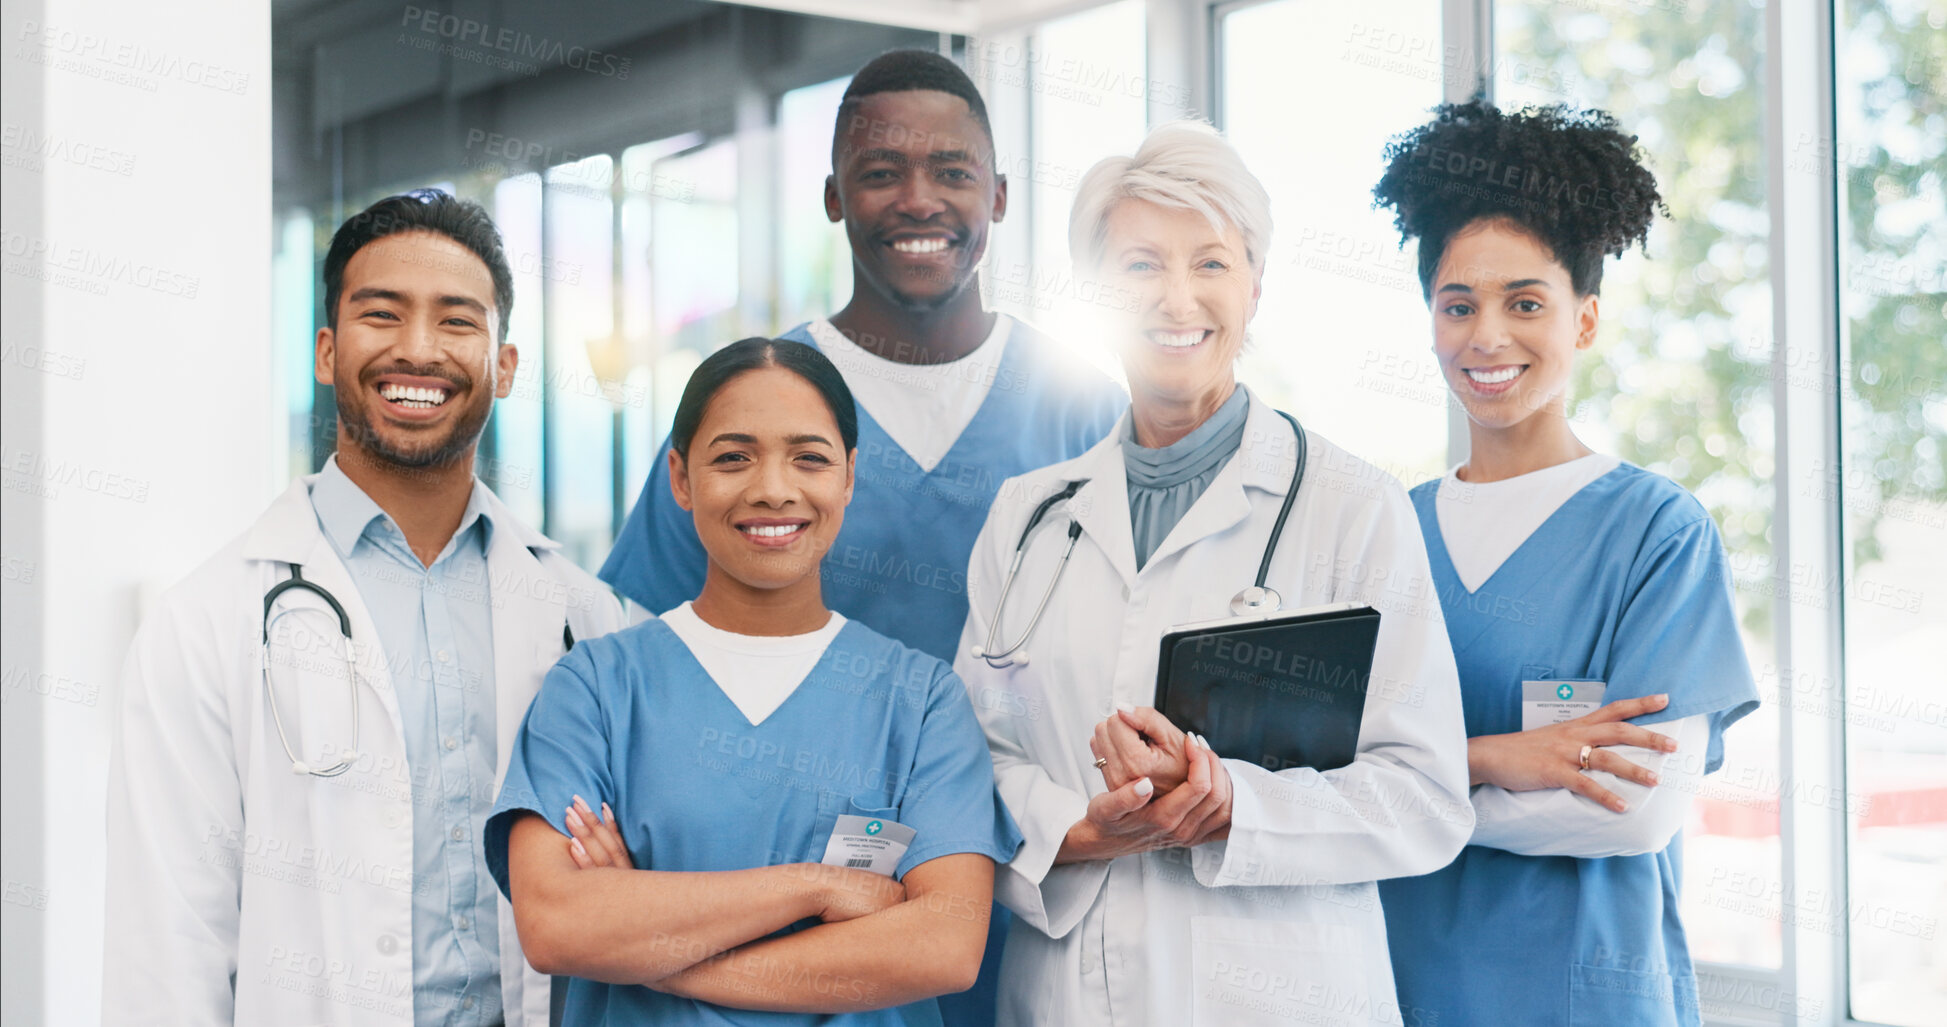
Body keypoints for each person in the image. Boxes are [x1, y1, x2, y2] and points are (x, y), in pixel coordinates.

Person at [598, 48, 1123, 1024]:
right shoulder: (759, 401)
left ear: (1001, 196)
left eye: (953, 172)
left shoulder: (1084, 409)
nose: (918, 200)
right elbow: (639, 648)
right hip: (790, 899)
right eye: (881, 172)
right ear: (835, 196)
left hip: (1044, 889)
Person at [952, 120, 1473, 1027]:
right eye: (1140, 265)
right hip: (1067, 992)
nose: (1175, 297)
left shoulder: (1352, 506)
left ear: (1256, 285)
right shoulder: (1026, 516)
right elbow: (974, 757)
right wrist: (1077, 829)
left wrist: (1235, 803)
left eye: (1211, 263)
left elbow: (1424, 797)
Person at [101, 190, 627, 1027]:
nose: (418, 350)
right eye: (382, 314)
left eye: (457, 321)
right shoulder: (207, 622)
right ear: (325, 350)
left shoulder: (583, 614)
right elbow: (167, 944)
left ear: (505, 364)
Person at [487, 337, 1022, 1026]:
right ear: (679, 478)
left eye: (809, 457)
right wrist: (817, 887)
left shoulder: (920, 702)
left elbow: (942, 946)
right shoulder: (593, 687)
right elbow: (557, 924)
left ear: (850, 476)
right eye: (733, 457)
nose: (772, 487)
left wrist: (655, 948)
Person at [1369, 102, 1761, 1025]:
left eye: (1526, 302)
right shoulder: (1384, 529)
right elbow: (1315, 777)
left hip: (1585, 994)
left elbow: (1636, 809)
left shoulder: (1655, 532)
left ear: (1583, 321)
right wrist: (1492, 759)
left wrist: (1406, 795)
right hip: (1399, 983)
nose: (1487, 336)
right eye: (1457, 304)